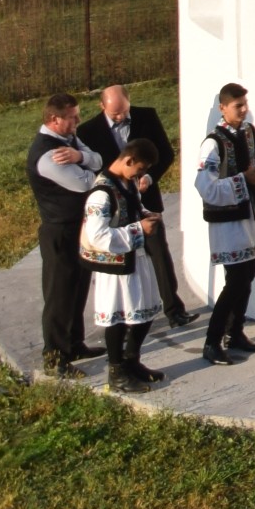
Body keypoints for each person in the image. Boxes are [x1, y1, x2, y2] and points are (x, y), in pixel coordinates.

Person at [82, 83, 187, 333]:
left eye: (124, 112)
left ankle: (173, 309)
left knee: (159, 254)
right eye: (114, 114)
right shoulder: (88, 131)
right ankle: (126, 315)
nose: (120, 117)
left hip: (144, 198)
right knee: (125, 264)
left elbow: (165, 153)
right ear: (102, 106)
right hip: (115, 207)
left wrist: (148, 178)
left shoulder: (147, 116)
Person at [188, 82, 255, 366]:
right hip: (229, 222)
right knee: (235, 281)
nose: (244, 110)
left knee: (248, 276)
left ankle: (235, 333)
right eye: (238, 105)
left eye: (245, 104)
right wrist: (241, 181)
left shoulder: (250, 132)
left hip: (251, 213)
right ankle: (212, 341)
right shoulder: (213, 143)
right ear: (223, 108)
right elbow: (204, 184)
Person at [81, 140, 165, 392]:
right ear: (128, 160)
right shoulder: (100, 194)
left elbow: (131, 208)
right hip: (115, 266)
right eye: (139, 169)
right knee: (117, 317)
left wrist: (145, 214)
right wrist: (139, 229)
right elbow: (97, 236)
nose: (140, 176)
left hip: (135, 257)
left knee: (146, 310)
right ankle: (116, 372)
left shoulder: (126, 183)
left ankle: (132, 360)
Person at [28, 94, 100, 376]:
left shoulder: (69, 140)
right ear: (53, 119)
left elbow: (97, 159)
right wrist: (95, 168)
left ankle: (74, 343)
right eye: (72, 117)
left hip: (77, 227)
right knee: (59, 294)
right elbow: (85, 183)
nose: (77, 122)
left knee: (79, 286)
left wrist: (81, 156)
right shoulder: (48, 155)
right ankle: (55, 357)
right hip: (59, 230)